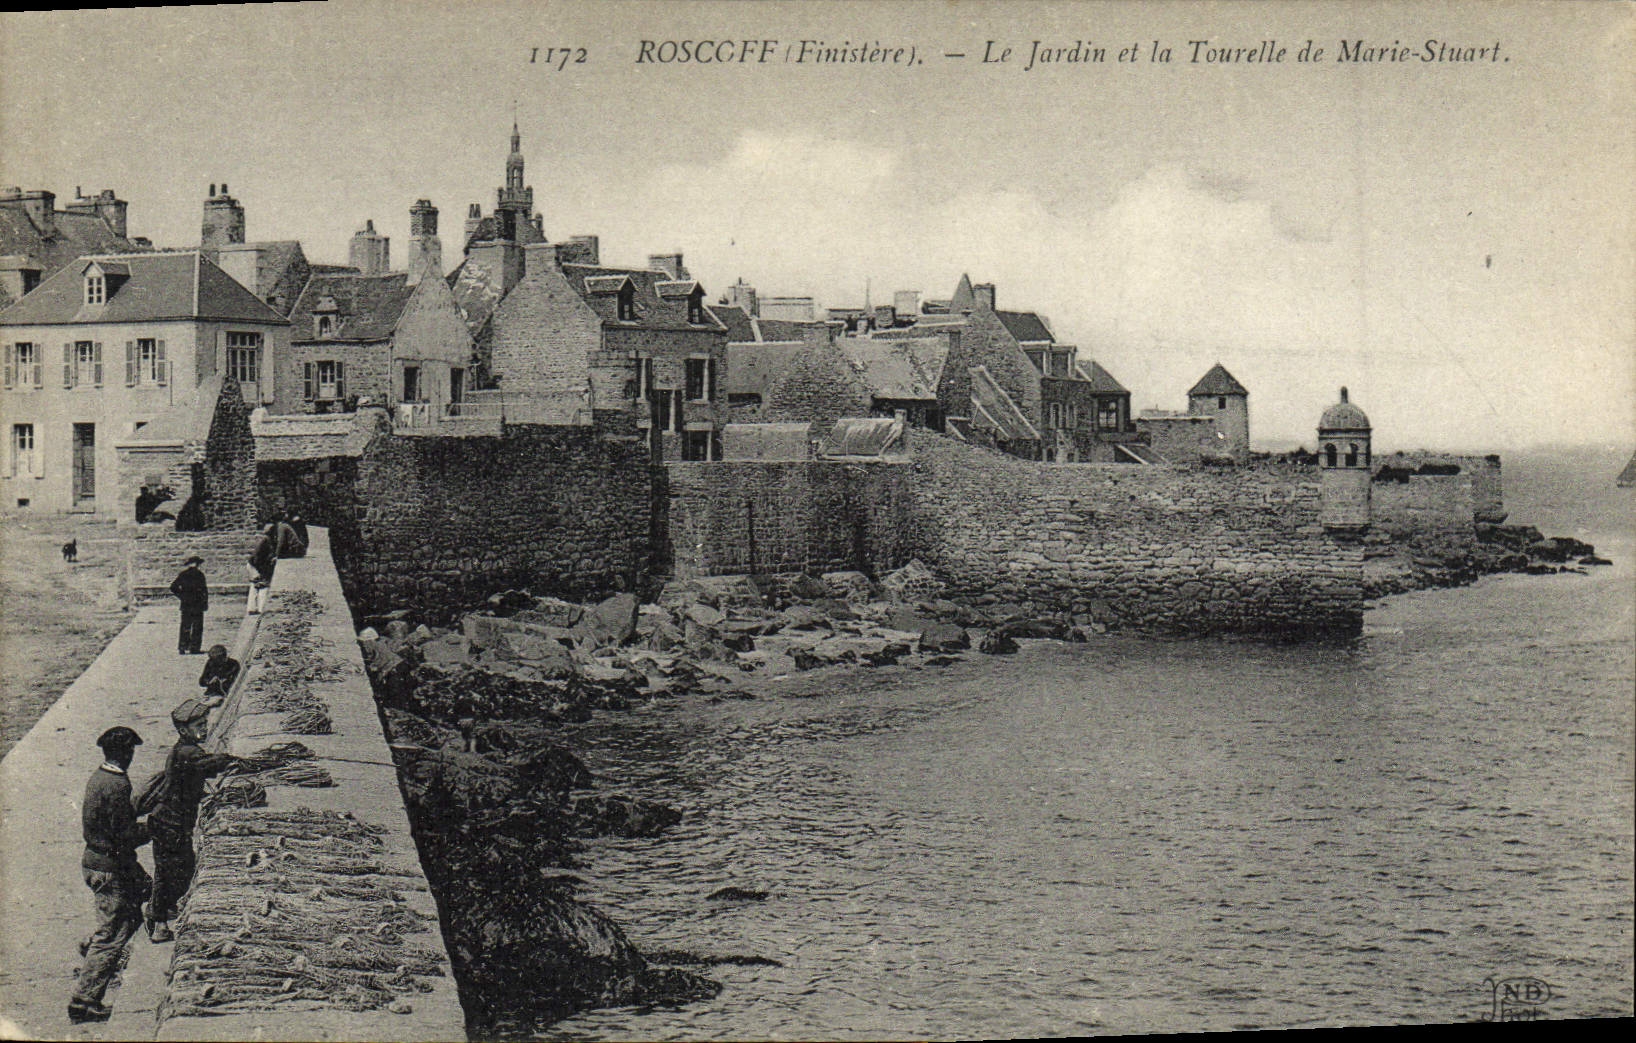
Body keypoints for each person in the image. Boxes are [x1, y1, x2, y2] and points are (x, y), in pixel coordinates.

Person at [70, 726, 151, 1024]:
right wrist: (152, 828)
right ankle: (84, 1001)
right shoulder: (117, 785)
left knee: (131, 915)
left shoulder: (99, 777)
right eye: (131, 751)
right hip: (109, 867)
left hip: (96, 862)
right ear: (126, 753)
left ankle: (91, 951)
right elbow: (123, 834)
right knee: (112, 933)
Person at [145, 699, 238, 943]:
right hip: (170, 824)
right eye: (199, 725)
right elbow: (208, 765)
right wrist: (230, 759)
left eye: (205, 723)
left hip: (171, 822)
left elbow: (190, 781)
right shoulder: (188, 751)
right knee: (169, 872)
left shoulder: (182, 749)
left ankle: (164, 912)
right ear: (183, 730)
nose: (204, 728)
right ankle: (157, 923)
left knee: (177, 868)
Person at [169, 555, 208, 654]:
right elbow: (204, 590)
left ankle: (182, 647)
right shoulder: (200, 575)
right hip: (197, 604)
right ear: (197, 564)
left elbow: (173, 587)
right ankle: (194, 648)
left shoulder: (183, 574)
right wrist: (205, 603)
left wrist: (182, 596)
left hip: (186, 604)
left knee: (185, 626)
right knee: (197, 627)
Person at [247, 525, 277, 614]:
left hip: (256, 565)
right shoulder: (265, 540)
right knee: (260, 585)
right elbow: (257, 557)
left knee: (257, 585)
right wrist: (259, 570)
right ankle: (258, 608)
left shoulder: (267, 540)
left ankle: (254, 608)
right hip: (255, 566)